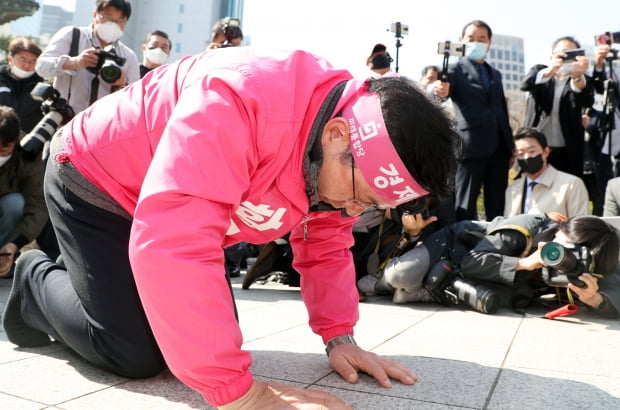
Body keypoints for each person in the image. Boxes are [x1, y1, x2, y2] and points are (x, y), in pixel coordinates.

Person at [2, 47, 461, 409]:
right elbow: (175, 243)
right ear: (338, 135)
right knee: (135, 354)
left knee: (207, 339)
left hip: (172, 208)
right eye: (360, 194)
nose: (353, 209)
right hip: (97, 176)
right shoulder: (240, 98)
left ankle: (92, 276)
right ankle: (34, 278)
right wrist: (241, 396)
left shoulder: (340, 152)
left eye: (371, 207)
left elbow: (324, 238)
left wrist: (339, 336)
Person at [375, 213, 620, 318]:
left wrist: (595, 299)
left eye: (574, 256)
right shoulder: (527, 227)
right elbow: (473, 262)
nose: (562, 257)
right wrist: (525, 263)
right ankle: (376, 284)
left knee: (499, 298)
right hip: (456, 247)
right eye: (562, 246)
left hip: (484, 278)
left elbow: (614, 291)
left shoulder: (594, 263)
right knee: (401, 275)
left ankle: (432, 287)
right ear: (560, 229)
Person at [433, 20, 514, 221]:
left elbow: (502, 110)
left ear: (489, 42)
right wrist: (441, 90)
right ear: (462, 40)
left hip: (500, 148)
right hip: (470, 147)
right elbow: (443, 91)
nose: (476, 42)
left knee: (497, 203)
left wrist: (510, 145)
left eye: (482, 38)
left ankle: (496, 240)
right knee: (465, 202)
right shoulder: (455, 69)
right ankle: (463, 245)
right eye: (471, 38)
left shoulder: (495, 73)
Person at [35, 0, 139, 115]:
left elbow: (135, 100)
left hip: (101, 124)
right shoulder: (72, 35)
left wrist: (122, 83)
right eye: (108, 18)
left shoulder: (128, 56)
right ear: (94, 15)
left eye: (119, 21)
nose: (113, 25)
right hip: (63, 119)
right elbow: (41, 66)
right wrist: (74, 62)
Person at [520, 37, 594, 187]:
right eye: (561, 54)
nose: (565, 58)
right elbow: (526, 84)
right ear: (551, 56)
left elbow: (585, 100)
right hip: (537, 150)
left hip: (569, 152)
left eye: (571, 55)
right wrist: (550, 70)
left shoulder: (581, 79)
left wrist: (577, 75)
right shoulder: (540, 71)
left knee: (568, 195)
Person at [0, 106, 47, 278]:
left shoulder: (28, 152)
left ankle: (3, 257)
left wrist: (14, 244)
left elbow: (38, 205)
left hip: (5, 214)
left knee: (15, 204)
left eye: (5, 149)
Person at [505, 127, 589, 218]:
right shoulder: (513, 189)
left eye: (531, 151)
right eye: (521, 154)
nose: (526, 157)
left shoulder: (571, 185)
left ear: (546, 152)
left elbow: (579, 225)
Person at [592, 44, 620, 203]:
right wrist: (599, 63)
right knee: (609, 196)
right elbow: (599, 87)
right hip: (614, 146)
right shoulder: (614, 71)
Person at [0, 38, 45, 135]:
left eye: (32, 61)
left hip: (28, 138)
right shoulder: (1, 78)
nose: (27, 65)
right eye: (22, 59)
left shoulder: (41, 84)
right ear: (10, 59)